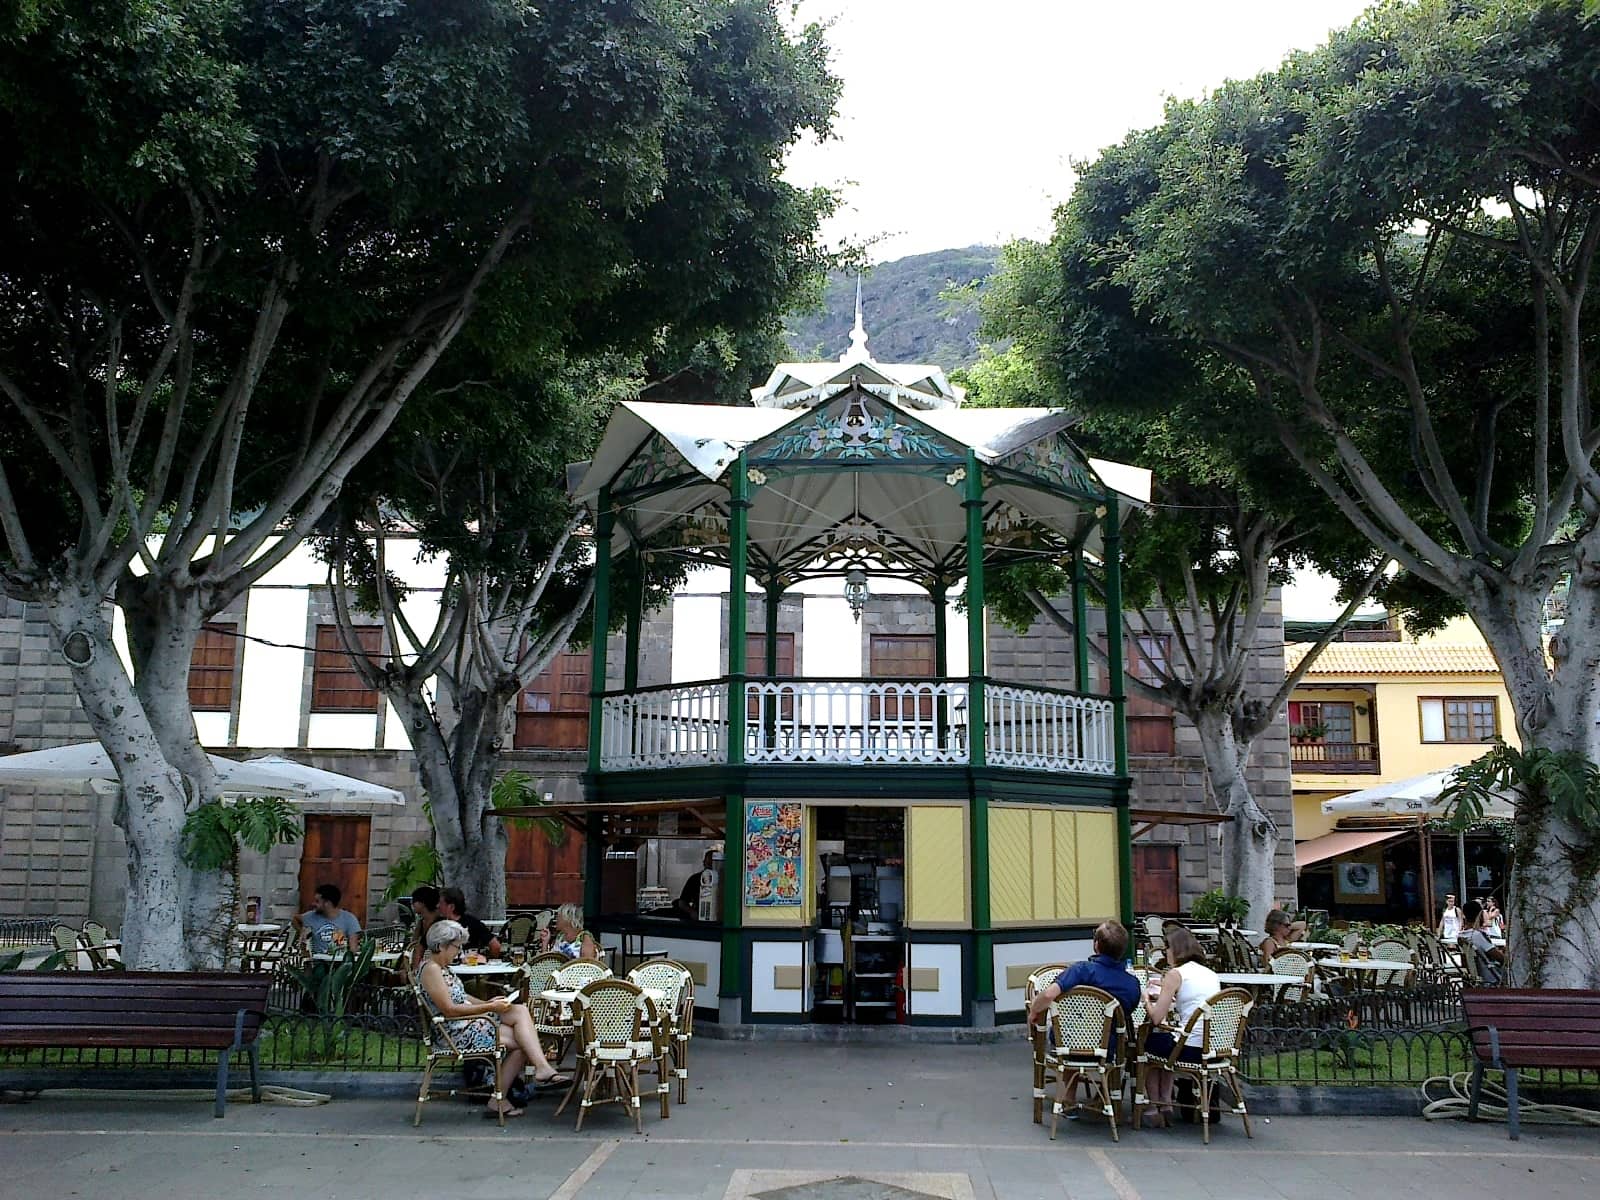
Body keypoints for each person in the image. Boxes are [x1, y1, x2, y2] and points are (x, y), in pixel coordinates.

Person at [415, 919, 571, 1118]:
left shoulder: (443, 968)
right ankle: (508, 1092)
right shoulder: (431, 970)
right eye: (457, 947)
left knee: (520, 1013)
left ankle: (538, 1071)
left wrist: (489, 1003)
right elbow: (449, 1010)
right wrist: (489, 1007)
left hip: (466, 1025)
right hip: (453, 1032)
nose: (459, 952)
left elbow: (462, 997)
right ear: (442, 945)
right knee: (522, 1041)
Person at [1026, 921, 1141, 1119]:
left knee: (1068, 1030)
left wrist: (1034, 1011)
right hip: (1107, 1048)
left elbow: (1049, 995)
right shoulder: (1132, 984)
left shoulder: (1081, 971)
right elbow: (1127, 1015)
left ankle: (1068, 1098)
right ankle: (1105, 1096)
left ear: (1096, 945)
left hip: (1068, 1043)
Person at [1141, 925, 1222, 1128]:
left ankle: (1153, 1106)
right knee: (1165, 1041)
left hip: (1189, 1049)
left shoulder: (1175, 974)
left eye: (1167, 948)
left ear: (1175, 949)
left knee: (1148, 1043)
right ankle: (1166, 1102)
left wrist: (1146, 1000)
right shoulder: (1211, 974)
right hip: (1215, 1048)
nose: (1165, 953)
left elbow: (1157, 1018)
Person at [293, 883, 362, 954]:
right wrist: (301, 931)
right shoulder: (310, 916)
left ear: (327, 903)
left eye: (317, 901)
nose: (313, 904)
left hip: (338, 959)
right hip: (316, 959)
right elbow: (295, 919)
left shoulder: (349, 919)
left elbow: (353, 948)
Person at [439, 887, 502, 959]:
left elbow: (495, 946)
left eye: (441, 903)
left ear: (451, 907)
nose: (438, 906)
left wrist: (486, 961)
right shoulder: (438, 924)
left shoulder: (473, 923)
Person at [1459, 899, 1506, 985]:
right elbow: (1500, 958)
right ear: (1479, 915)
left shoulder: (1461, 936)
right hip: (1490, 977)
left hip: (1475, 977)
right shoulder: (1478, 936)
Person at [673, 850, 716, 921]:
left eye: (714, 865)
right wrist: (692, 912)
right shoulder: (695, 879)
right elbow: (682, 902)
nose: (711, 868)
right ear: (704, 863)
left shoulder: (724, 881)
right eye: (709, 864)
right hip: (698, 919)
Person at [408, 885, 442, 969]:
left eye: (414, 901)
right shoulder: (421, 922)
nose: (412, 904)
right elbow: (413, 945)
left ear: (422, 903)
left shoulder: (440, 924)